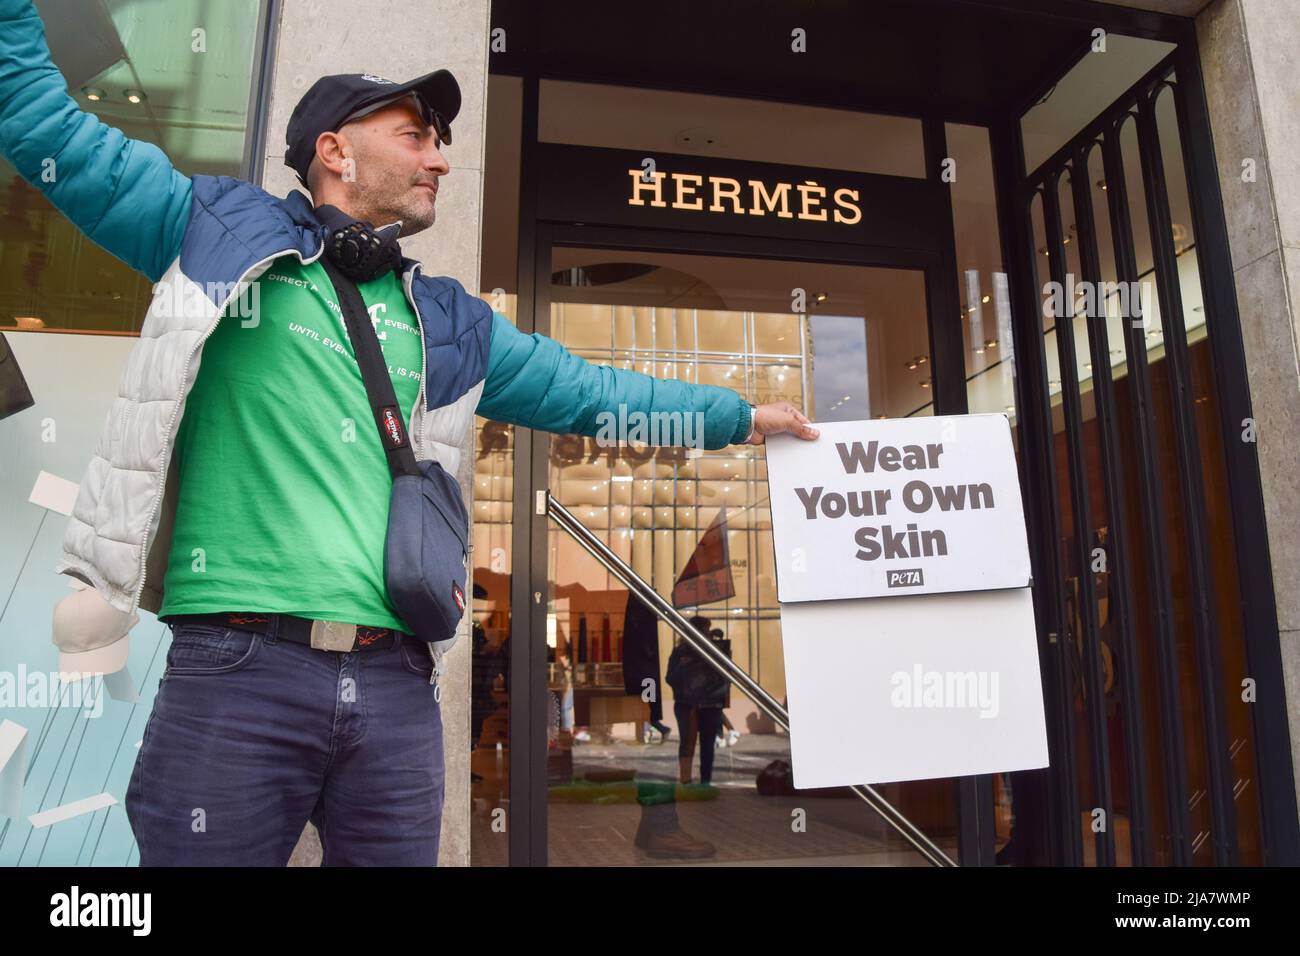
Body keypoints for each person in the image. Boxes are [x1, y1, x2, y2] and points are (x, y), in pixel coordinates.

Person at [0, 0, 818, 866]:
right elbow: (39, 121)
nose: (440, 158)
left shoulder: (450, 322)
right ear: (335, 150)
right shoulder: (211, 233)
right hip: (235, 675)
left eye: (439, 142)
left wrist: (739, 419)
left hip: (395, 690)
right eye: (415, 136)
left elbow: (590, 391)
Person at [665, 616, 731, 785]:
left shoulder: (715, 651)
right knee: (687, 741)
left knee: (707, 743)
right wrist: (684, 666)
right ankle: (686, 779)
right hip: (687, 704)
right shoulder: (680, 652)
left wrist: (724, 651)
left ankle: (705, 780)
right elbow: (670, 678)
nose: (707, 633)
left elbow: (727, 675)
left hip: (710, 703)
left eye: (708, 630)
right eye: (704, 629)